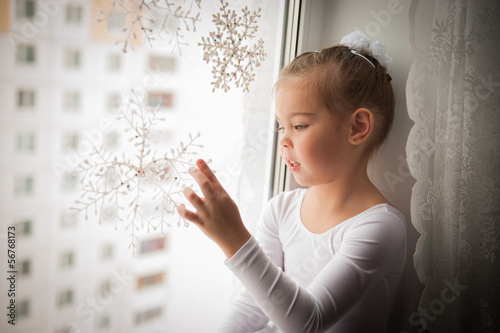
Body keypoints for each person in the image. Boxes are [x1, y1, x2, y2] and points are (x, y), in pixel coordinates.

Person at [177, 31, 407, 333]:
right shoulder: (280, 210)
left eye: (299, 125)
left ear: (357, 127)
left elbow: (307, 322)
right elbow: (254, 304)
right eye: (280, 126)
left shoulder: (380, 227)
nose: (283, 140)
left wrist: (234, 239)